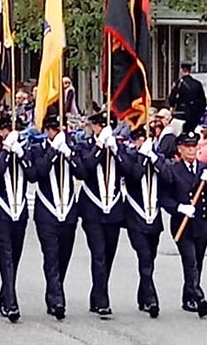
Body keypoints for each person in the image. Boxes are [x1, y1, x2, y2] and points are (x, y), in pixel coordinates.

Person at [29, 113, 85, 320]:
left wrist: (68, 154)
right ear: (46, 131)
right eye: (53, 129)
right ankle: (57, 298)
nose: (57, 132)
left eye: (60, 128)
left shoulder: (71, 149)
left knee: (63, 257)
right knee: (51, 256)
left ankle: (53, 290)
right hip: (47, 213)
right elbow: (36, 174)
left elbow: (82, 173)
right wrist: (53, 151)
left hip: (68, 212)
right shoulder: (38, 150)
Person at [161, 131, 207, 318]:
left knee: (198, 261)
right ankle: (198, 296)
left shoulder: (204, 168)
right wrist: (179, 208)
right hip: (182, 224)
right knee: (190, 261)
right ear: (180, 149)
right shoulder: (173, 170)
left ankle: (188, 297)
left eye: (194, 146)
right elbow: (164, 198)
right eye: (188, 147)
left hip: (201, 223)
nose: (192, 150)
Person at [0, 115, 35, 322]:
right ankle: (12, 303)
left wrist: (20, 153)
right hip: (0, 212)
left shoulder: (25, 151)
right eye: (5, 129)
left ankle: (4, 297)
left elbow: (33, 175)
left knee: (14, 257)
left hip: (19, 212)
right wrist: (6, 149)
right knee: (5, 258)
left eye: (13, 130)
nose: (9, 133)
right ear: (0, 132)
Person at [76, 112, 124, 318]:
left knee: (109, 256)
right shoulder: (85, 145)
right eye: (100, 126)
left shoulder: (117, 146)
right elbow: (84, 168)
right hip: (92, 210)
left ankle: (97, 294)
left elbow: (131, 171)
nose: (103, 129)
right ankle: (103, 299)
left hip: (113, 209)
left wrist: (115, 150)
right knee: (99, 254)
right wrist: (98, 147)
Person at [118, 128, 167, 318]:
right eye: (138, 139)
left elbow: (168, 178)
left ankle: (143, 296)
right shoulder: (130, 158)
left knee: (150, 259)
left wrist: (153, 159)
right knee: (144, 257)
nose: (142, 142)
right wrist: (141, 156)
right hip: (134, 217)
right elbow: (134, 175)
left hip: (154, 218)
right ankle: (151, 300)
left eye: (145, 138)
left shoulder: (157, 157)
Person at [168, 61, 207, 134]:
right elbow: (203, 102)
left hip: (181, 115)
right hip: (194, 115)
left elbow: (172, 100)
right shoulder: (197, 84)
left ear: (181, 70)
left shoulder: (178, 84)